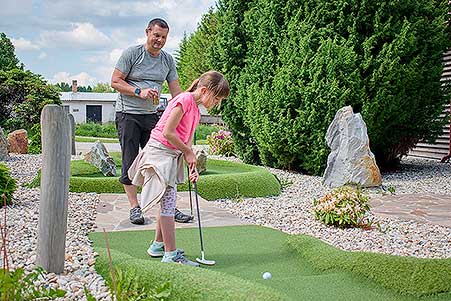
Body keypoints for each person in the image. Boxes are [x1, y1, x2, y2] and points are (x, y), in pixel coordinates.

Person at [128, 71, 230, 266]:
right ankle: (171, 255)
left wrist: (191, 164)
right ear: (204, 90)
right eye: (216, 98)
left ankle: (158, 245)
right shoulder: (183, 100)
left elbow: (187, 141)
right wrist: (187, 152)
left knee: (166, 200)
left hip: (171, 155)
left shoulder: (196, 111)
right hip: (159, 152)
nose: (217, 103)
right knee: (168, 203)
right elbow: (168, 132)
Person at [111, 18, 192, 224]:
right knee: (130, 161)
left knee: (161, 161)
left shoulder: (167, 60)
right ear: (148, 32)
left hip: (152, 117)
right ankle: (134, 207)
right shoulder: (132, 54)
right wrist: (140, 91)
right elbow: (114, 81)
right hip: (128, 113)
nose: (159, 40)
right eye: (156, 35)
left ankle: (169, 208)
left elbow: (176, 93)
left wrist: (188, 105)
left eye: (164, 37)